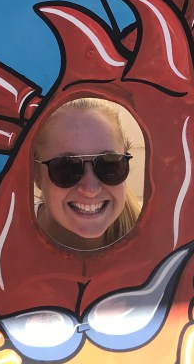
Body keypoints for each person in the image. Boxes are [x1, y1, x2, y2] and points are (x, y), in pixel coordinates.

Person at [34, 97, 141, 250]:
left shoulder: (159, 247)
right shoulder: (4, 243)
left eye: (109, 164)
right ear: (36, 174)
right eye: (66, 168)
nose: (91, 189)